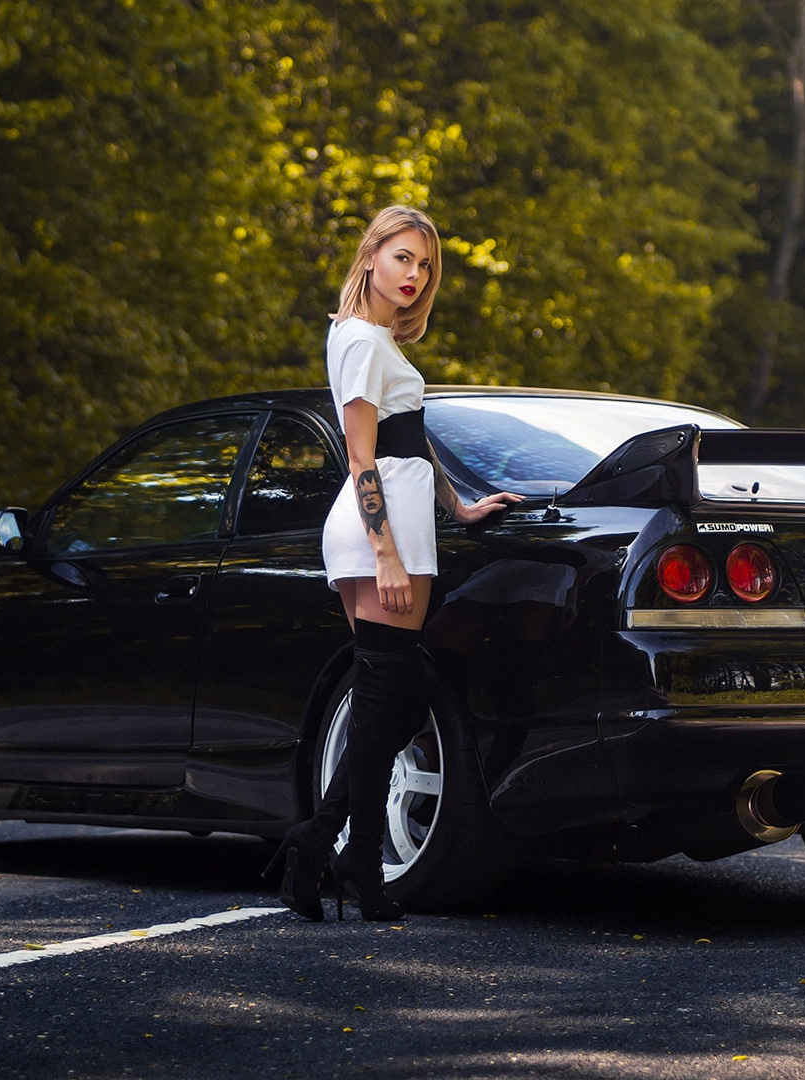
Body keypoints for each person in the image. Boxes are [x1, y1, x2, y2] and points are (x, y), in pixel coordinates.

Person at [266, 206, 520, 921]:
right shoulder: (354, 339)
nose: (415, 274)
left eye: (425, 265)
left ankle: (337, 851)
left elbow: (410, 437)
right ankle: (325, 846)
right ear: (371, 255)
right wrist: (386, 552)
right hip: (383, 531)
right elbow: (361, 455)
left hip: (403, 523)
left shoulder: (379, 342)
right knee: (388, 696)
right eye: (404, 257)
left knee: (393, 699)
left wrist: (460, 507)